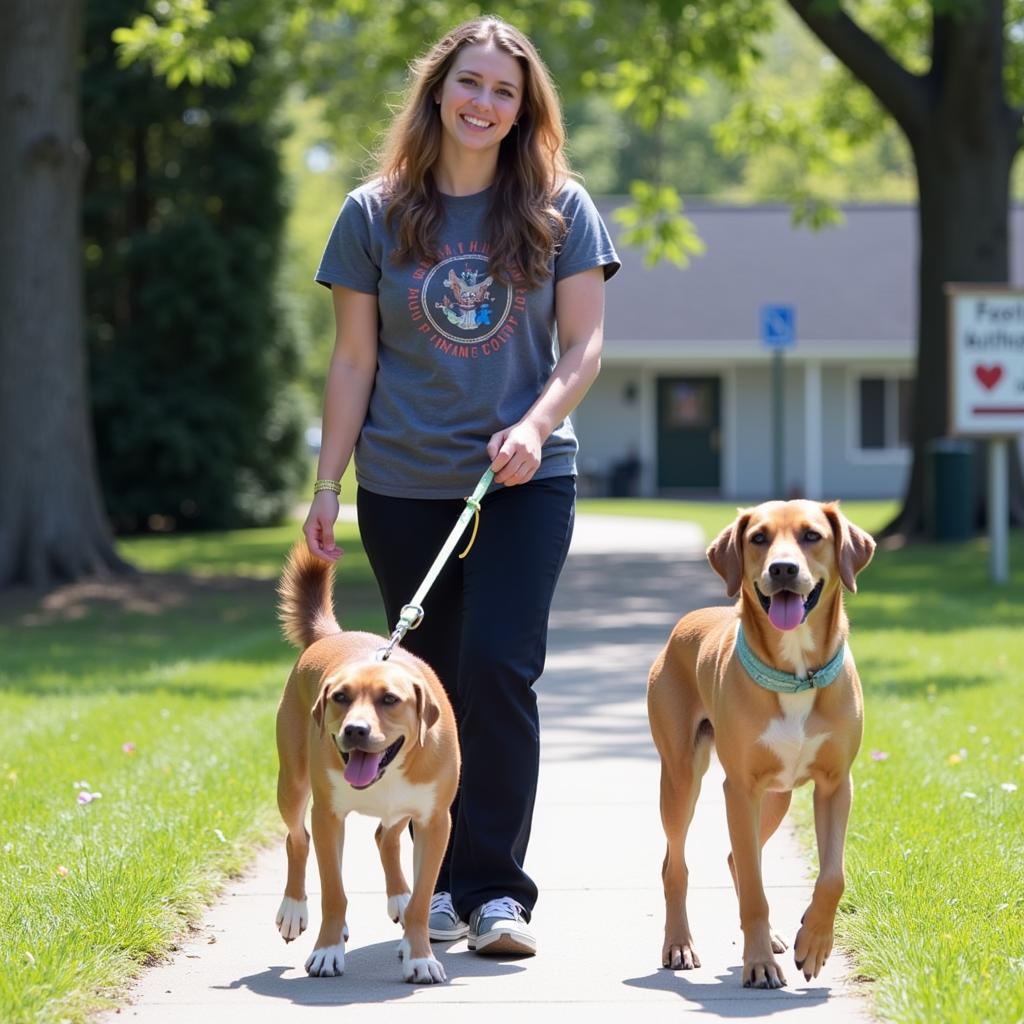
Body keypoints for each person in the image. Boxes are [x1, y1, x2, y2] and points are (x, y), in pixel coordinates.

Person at [304, 15, 619, 958]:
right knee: (421, 685)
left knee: (496, 669)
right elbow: (353, 361)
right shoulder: (373, 212)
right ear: (439, 90)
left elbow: (586, 345)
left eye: (504, 91)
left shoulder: (561, 208)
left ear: (525, 110)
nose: (485, 104)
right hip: (401, 483)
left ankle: (494, 894)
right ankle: (431, 891)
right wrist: (326, 484)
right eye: (471, 84)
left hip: (522, 479)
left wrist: (533, 424)